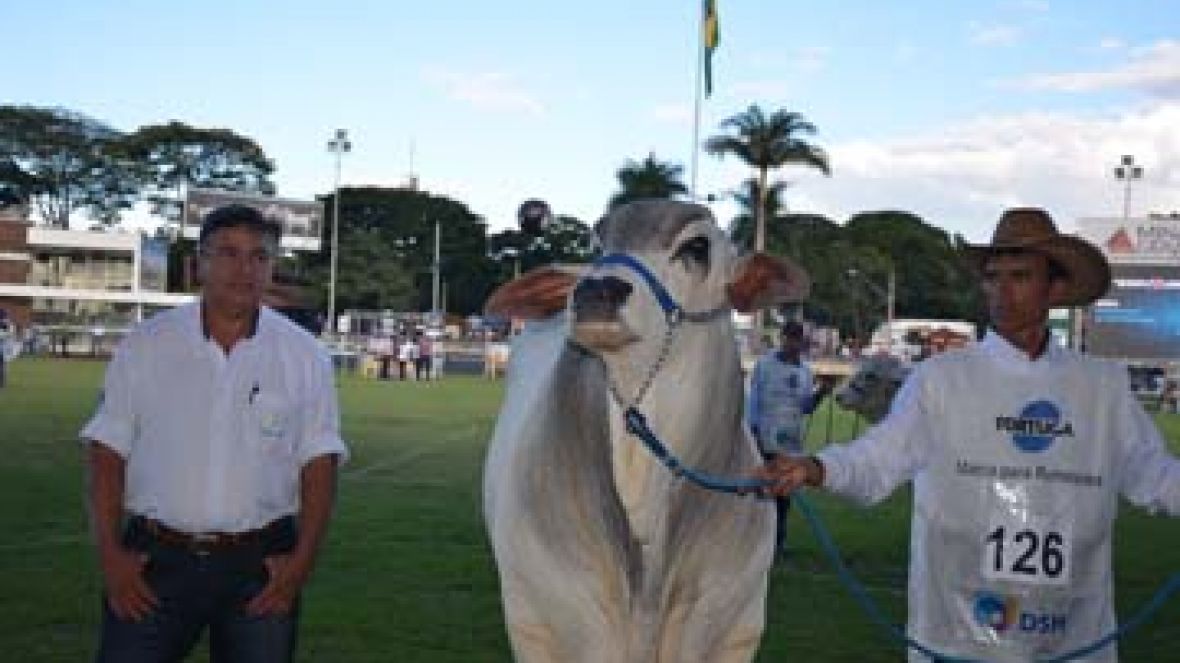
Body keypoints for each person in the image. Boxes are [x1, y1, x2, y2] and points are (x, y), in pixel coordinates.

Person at [759, 208, 1180, 662]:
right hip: (955, 639)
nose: (1002, 292)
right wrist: (817, 467)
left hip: (1075, 641)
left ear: (1054, 289)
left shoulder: (1102, 387)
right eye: (992, 277)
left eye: (1020, 276)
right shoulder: (941, 379)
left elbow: (1152, 475)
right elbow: (879, 458)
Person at [80, 204, 349, 663]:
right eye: (227, 253)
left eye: (259, 257)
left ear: (272, 267)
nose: (244, 269)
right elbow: (108, 452)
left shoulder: (304, 356)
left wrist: (301, 563)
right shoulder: (146, 345)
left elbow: (318, 463)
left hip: (260, 566)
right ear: (199, 264)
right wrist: (111, 555)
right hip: (155, 562)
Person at [746, 320, 833, 557]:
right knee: (762, 493)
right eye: (789, 338)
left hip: (792, 446)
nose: (792, 343)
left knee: (784, 496)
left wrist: (821, 393)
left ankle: (777, 543)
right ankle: (754, 542)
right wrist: (752, 431)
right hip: (766, 439)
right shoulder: (764, 365)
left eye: (797, 339)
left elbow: (805, 407)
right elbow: (753, 400)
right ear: (782, 338)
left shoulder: (804, 372)